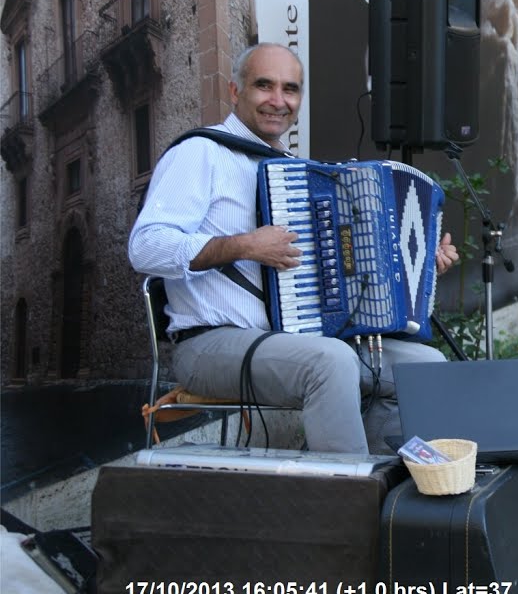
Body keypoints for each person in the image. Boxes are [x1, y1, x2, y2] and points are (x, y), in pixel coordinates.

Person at [129, 42, 460, 455]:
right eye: (263, 86)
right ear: (235, 91)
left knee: (426, 368)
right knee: (331, 362)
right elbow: (145, 248)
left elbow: (351, 269)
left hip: (292, 338)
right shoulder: (200, 153)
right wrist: (245, 246)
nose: (278, 101)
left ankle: (384, 489)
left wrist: (423, 266)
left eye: (290, 89)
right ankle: (345, 502)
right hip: (209, 344)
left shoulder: (293, 173)